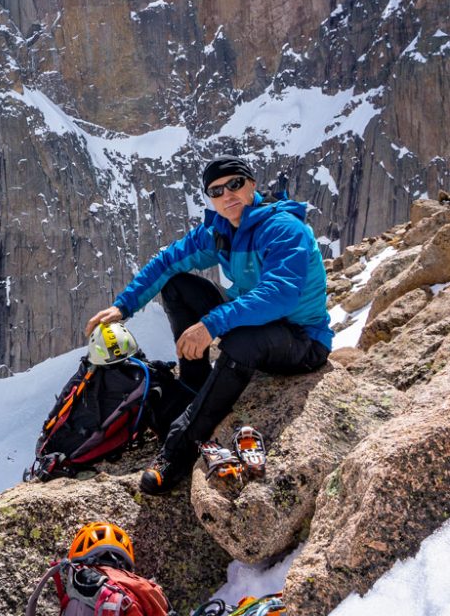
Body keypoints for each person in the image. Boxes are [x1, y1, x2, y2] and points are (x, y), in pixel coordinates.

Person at [84, 155, 332, 495]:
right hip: (258, 328)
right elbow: (168, 261)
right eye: (216, 191)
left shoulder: (282, 228)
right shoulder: (221, 230)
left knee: (241, 341)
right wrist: (122, 306)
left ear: (252, 185)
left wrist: (211, 324)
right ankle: (195, 386)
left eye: (234, 184)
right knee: (178, 286)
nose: (227, 195)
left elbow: (280, 295)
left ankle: (179, 450)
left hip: (302, 340)